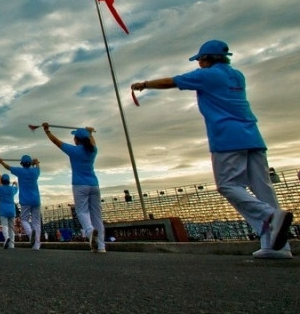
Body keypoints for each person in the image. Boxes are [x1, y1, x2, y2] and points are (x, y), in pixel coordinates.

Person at [131, 39, 294, 259]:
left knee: (227, 185)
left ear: (206, 58)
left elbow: (173, 81)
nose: (198, 63)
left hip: (227, 137)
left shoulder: (208, 75)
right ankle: (278, 247)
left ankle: (271, 216)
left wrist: (144, 84)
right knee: (263, 188)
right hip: (253, 135)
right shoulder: (237, 75)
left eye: (199, 59)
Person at [42, 123, 105, 253]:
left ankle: (89, 231)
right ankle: (101, 247)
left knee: (82, 211)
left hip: (79, 184)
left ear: (77, 139)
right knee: (97, 216)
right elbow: (92, 142)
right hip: (94, 184)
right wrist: (90, 133)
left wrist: (47, 130)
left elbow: (56, 141)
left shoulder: (74, 150)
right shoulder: (93, 150)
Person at [0, 155, 42, 249]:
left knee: (24, 220)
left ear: (22, 163)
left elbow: (8, 167)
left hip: (25, 200)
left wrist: (1, 162)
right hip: (36, 200)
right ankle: (36, 245)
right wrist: (36, 162)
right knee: (36, 222)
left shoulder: (20, 171)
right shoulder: (35, 171)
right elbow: (37, 167)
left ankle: (30, 234)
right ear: (30, 163)